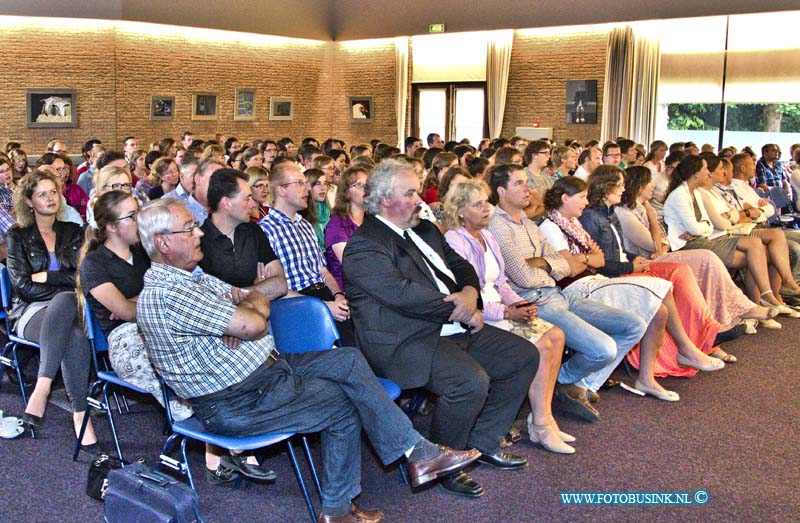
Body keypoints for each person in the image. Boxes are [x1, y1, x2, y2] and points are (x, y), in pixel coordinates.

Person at [136, 197, 480, 523]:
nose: (199, 233)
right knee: (342, 403)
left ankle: (418, 453)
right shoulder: (169, 293)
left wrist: (246, 305)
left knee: (347, 360)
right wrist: (246, 311)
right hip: (237, 401)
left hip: (267, 371)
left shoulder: (190, 278)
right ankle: (338, 510)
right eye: (188, 228)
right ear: (163, 243)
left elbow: (268, 290)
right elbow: (255, 320)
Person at [343, 159, 538, 498]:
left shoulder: (426, 230)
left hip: (446, 326)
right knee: (469, 381)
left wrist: (470, 294)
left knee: (522, 355)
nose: (420, 200)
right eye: (411, 193)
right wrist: (462, 310)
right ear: (386, 200)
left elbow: (461, 266)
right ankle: (443, 460)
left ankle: (482, 443)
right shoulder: (366, 244)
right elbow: (401, 295)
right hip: (404, 339)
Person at [486, 164, 646, 418]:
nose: (529, 188)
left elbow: (567, 266)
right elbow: (523, 276)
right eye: (519, 183)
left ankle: (562, 381)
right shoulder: (496, 226)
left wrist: (546, 263)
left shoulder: (527, 222)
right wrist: (551, 265)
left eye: (527, 181)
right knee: (603, 349)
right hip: (535, 300)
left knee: (634, 325)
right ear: (501, 191)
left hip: (559, 294)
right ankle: (559, 383)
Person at [442, 181, 573, 454]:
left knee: (557, 336)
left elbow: (501, 282)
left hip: (501, 307)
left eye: (486, 202)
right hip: (482, 315)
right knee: (540, 346)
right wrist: (506, 312)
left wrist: (519, 303)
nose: (487, 208)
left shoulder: (487, 235)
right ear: (461, 211)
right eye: (478, 204)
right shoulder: (455, 240)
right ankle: (540, 423)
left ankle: (544, 417)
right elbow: (471, 293)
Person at [556, 171, 729, 376]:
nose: (623, 189)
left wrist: (632, 259)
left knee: (680, 272)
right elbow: (599, 263)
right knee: (664, 288)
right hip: (608, 277)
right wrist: (631, 266)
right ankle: (688, 347)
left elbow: (616, 252)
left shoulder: (609, 213)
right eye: (619, 185)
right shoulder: (591, 218)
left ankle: (703, 337)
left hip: (621, 267)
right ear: (606, 188)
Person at [616, 166, 776, 331]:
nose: (653, 185)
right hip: (648, 260)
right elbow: (654, 244)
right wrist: (654, 221)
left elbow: (667, 240)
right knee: (707, 257)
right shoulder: (627, 214)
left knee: (710, 259)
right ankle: (739, 310)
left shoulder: (641, 207)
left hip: (663, 253)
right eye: (649, 182)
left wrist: (663, 241)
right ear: (640, 186)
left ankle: (734, 313)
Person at [7, 170, 97, 449]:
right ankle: (80, 413)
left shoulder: (73, 232)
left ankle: (43, 387)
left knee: (69, 312)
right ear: (30, 201)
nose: (50, 198)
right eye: (42, 194)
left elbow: (83, 277)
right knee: (71, 318)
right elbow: (22, 287)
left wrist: (49, 276)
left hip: (69, 306)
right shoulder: (18, 236)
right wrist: (64, 283)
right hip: (30, 312)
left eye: (53, 192)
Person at [664, 155, 799, 317]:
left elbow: (705, 225)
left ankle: (762, 300)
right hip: (691, 245)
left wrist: (703, 227)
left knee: (759, 249)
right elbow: (703, 227)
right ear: (695, 173)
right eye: (705, 169)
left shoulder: (696, 193)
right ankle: (760, 300)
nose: (708, 173)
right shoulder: (680, 195)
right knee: (758, 250)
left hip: (706, 238)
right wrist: (704, 227)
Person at [258, 163, 355, 345]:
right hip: (295, 304)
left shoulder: (305, 225)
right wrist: (323, 307)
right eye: (300, 183)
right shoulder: (264, 231)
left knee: (356, 342)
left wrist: (338, 296)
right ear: (281, 190)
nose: (307, 189)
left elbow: (323, 270)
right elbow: (274, 289)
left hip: (323, 295)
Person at [325, 165, 368, 291]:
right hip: (349, 289)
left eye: (368, 185)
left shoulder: (373, 220)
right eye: (359, 185)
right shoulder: (337, 225)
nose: (367, 189)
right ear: (346, 192)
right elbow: (354, 266)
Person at [301, 168, 331, 251]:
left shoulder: (329, 213)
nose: (323, 188)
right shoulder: (302, 217)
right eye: (317, 184)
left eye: (325, 183)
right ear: (307, 187)